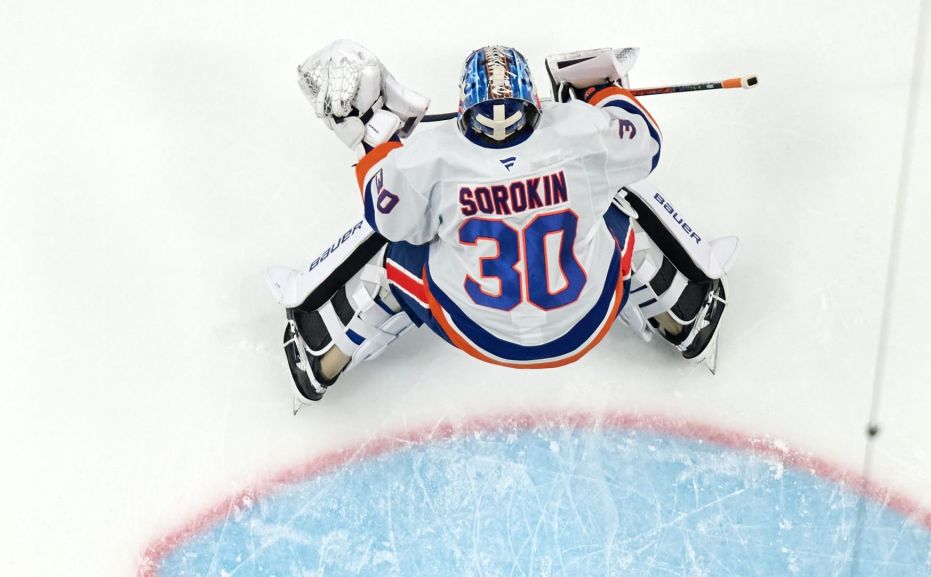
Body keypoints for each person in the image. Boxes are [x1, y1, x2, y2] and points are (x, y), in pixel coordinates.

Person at [266, 40, 737, 403]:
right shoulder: (580, 131)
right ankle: (685, 317)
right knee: (616, 215)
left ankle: (322, 354)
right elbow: (645, 143)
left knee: (400, 255)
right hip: (585, 322)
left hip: (481, 333)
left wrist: (376, 145)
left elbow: (386, 215)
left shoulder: (431, 157)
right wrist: (601, 91)